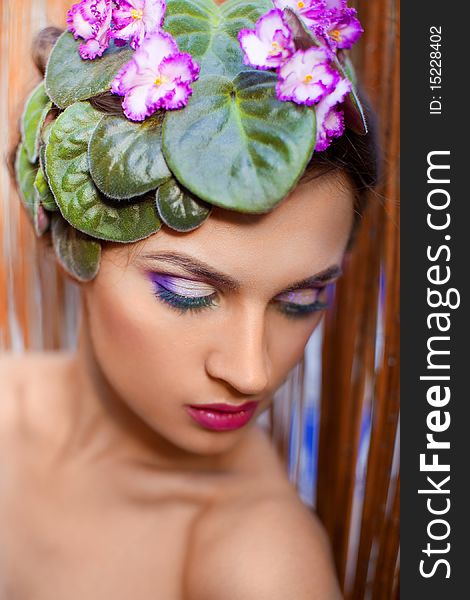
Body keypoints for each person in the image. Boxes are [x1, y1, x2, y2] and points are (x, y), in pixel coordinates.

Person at [0, 1, 378, 598]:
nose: (251, 372)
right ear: (73, 243)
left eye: (302, 299)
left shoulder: (263, 567)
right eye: (188, 292)